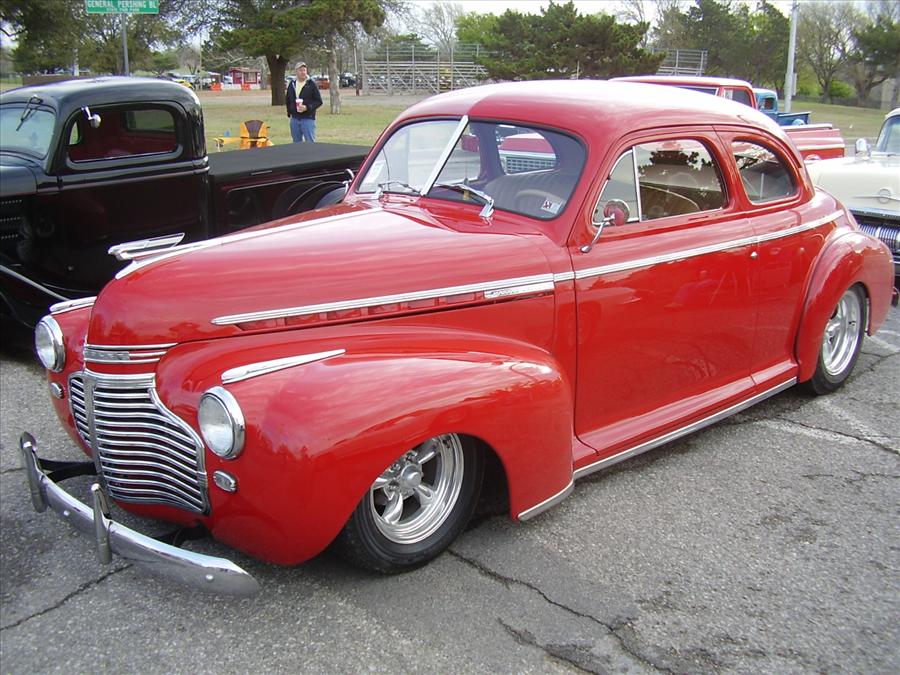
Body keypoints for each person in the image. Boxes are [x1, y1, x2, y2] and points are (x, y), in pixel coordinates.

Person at [285, 61, 322, 143]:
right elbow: (288, 99)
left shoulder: (311, 84)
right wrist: (290, 112)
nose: (303, 72)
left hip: (308, 118)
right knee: (296, 143)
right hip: (294, 119)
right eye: (301, 70)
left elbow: (319, 101)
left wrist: (307, 107)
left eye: (304, 70)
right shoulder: (292, 84)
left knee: (310, 143)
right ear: (296, 71)